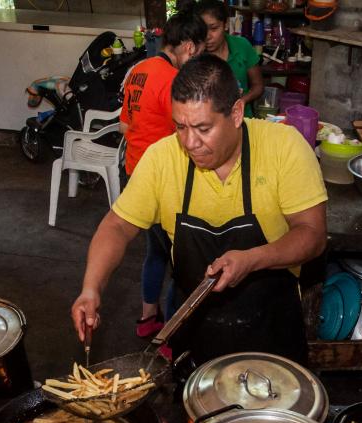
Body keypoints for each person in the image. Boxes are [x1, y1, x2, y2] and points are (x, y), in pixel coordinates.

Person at [71, 54, 327, 365]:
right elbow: (116, 226)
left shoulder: (284, 147)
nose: (190, 142)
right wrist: (90, 288)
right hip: (195, 342)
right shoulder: (162, 159)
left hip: (271, 339)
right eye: (180, 127)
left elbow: (312, 235)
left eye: (203, 128)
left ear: (235, 113)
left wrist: (252, 259)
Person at [120, 5, 206, 339]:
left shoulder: (140, 70)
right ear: (188, 46)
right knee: (180, 262)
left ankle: (147, 319)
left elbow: (124, 123)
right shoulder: (173, 81)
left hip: (134, 172)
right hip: (161, 181)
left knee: (154, 251)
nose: (197, 54)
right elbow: (187, 135)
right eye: (198, 48)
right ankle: (170, 335)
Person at [194, 0, 264, 118]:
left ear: (226, 25)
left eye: (214, 28)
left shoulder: (242, 46)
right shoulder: (195, 54)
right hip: (210, 123)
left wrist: (242, 101)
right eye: (202, 30)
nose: (207, 36)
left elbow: (258, 85)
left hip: (243, 119)